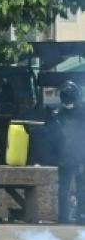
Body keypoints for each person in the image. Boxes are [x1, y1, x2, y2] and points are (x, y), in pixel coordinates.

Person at [52, 82, 85, 224]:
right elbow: (54, 136)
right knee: (64, 188)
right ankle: (63, 217)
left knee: (82, 187)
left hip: (81, 155)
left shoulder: (83, 112)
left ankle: (81, 215)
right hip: (65, 156)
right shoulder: (58, 113)